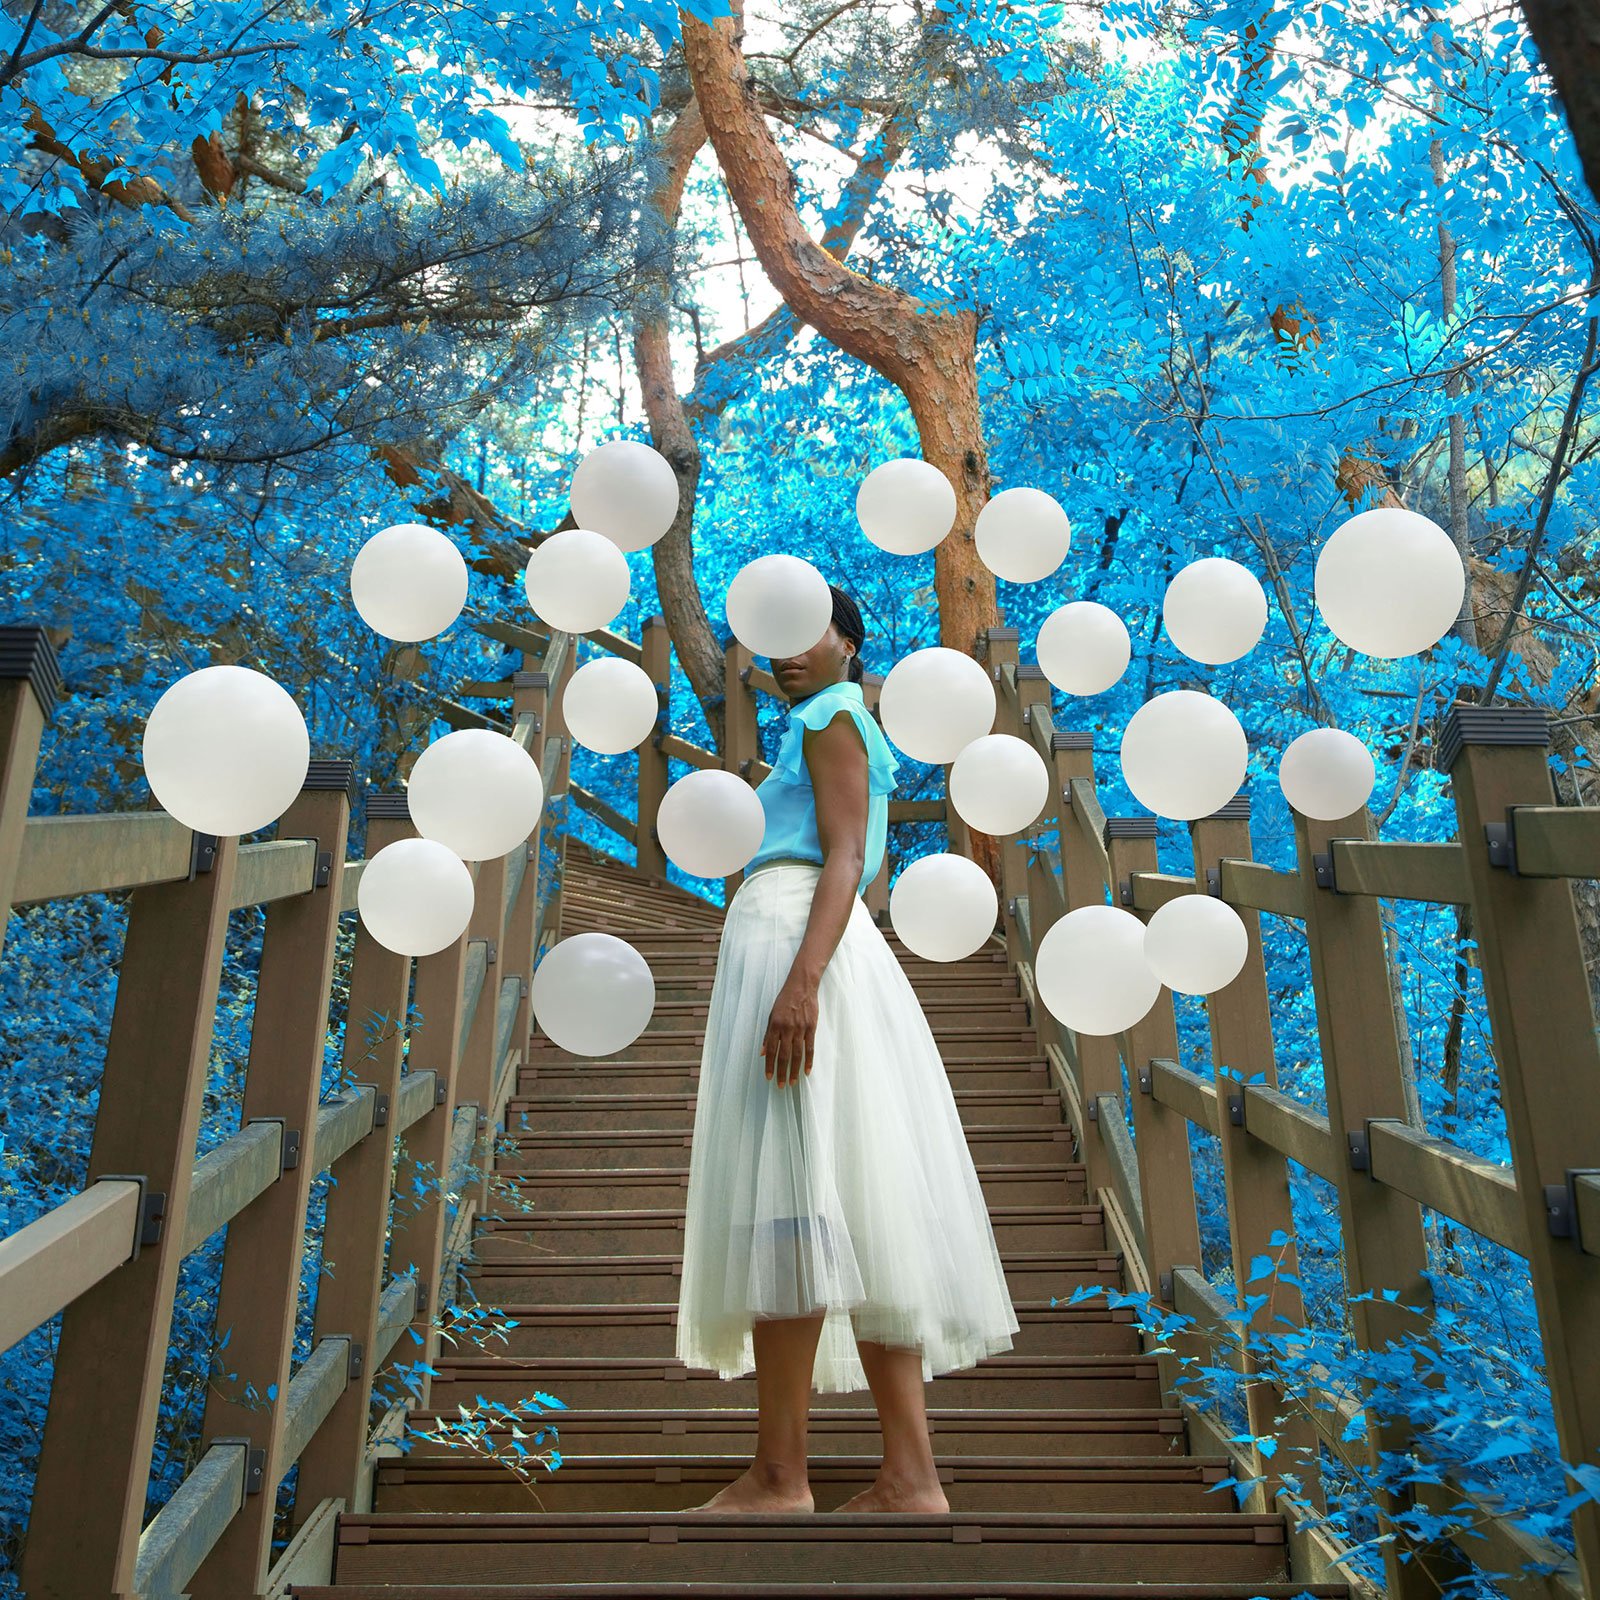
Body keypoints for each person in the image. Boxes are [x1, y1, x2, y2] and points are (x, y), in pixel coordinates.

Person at [675, 583, 1019, 1515]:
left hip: (798, 952)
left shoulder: (831, 715)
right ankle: (910, 1476)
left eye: (806, 632)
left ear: (849, 646)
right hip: (815, 949)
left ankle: (783, 1475)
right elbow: (858, 870)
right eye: (771, 640)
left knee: (791, 1205)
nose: (785, 652)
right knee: (859, 1206)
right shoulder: (832, 720)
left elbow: (841, 856)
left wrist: (800, 984)